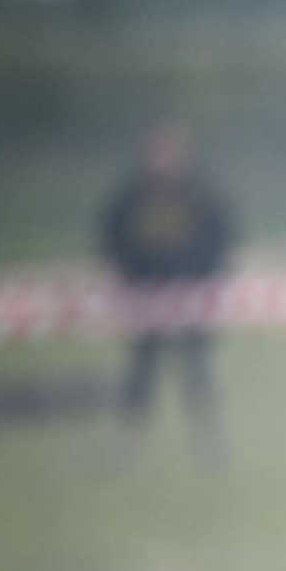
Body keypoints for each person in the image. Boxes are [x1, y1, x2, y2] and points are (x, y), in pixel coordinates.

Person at [100, 122, 233, 456]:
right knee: (141, 372)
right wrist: (131, 279)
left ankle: (209, 442)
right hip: (146, 298)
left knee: (197, 370)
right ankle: (127, 444)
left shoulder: (201, 195)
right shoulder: (131, 197)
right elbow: (114, 239)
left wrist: (204, 280)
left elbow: (219, 239)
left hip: (191, 297)